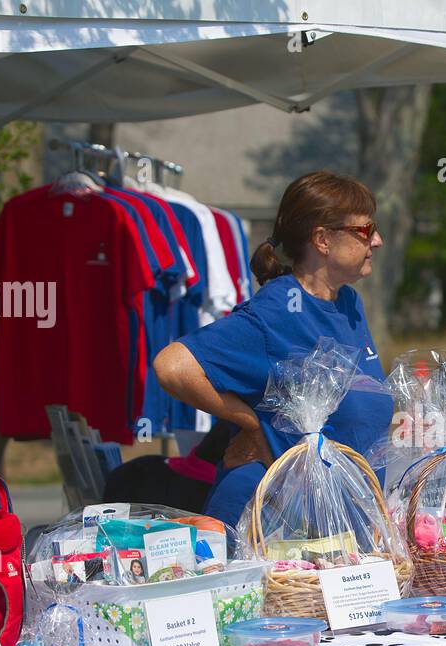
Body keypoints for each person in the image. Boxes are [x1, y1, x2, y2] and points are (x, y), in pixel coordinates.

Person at [153, 171, 392, 527]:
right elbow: (173, 367)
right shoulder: (278, 309)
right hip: (274, 529)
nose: (378, 240)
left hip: (339, 527)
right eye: (365, 230)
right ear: (323, 240)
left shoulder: (348, 305)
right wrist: (252, 425)